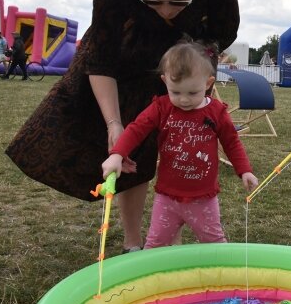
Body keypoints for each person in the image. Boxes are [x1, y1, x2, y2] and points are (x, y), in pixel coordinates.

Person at [5, 0, 240, 252]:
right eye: (153, 0)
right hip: (124, 56)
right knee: (129, 148)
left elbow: (224, 29)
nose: (166, 11)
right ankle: (133, 244)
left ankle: (171, 231)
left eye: (178, 2)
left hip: (179, 58)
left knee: (177, 143)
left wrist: (194, 70)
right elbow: (101, 55)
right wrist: (115, 123)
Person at [101, 42, 258, 248]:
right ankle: (152, 280)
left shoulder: (216, 112)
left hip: (204, 200)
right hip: (167, 199)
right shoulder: (161, 107)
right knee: (155, 245)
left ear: (208, 83)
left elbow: (231, 142)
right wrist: (117, 154)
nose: (184, 100)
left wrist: (244, 170)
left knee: (215, 245)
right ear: (165, 81)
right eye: (176, 92)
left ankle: (224, 279)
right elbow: (136, 129)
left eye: (193, 93)